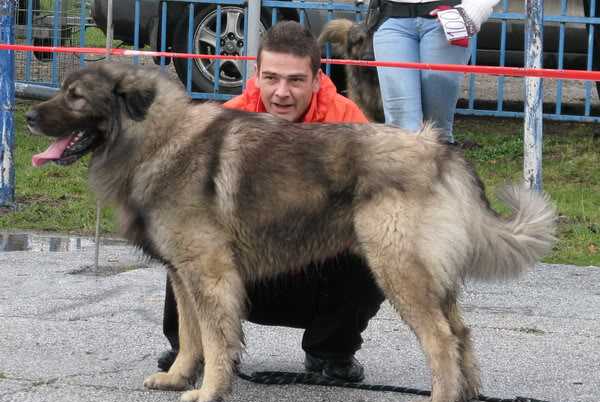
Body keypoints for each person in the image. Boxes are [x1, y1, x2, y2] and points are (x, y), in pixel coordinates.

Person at [158, 20, 385, 382]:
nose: (281, 92)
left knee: (373, 237)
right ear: (256, 74)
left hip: (317, 271)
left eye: (295, 80)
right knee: (187, 240)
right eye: (272, 78)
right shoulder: (226, 118)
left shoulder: (347, 121)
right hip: (248, 273)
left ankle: (330, 350)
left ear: (316, 78)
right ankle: (193, 348)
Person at [372, 0, 501, 143]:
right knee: (401, 126)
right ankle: (406, 163)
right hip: (391, 18)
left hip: (447, 17)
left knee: (437, 129)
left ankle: (440, 162)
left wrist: (473, 10)